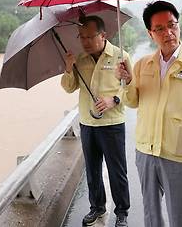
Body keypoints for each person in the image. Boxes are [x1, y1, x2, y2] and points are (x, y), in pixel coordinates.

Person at [114, 0, 182, 227]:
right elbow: (133, 102)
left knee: (178, 217)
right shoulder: (142, 66)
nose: (168, 32)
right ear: (150, 34)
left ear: (179, 26)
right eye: (159, 28)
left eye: (172, 25)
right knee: (152, 215)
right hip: (146, 152)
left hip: (177, 154)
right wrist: (127, 81)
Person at [61, 15, 131, 227]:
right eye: (81, 37)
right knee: (92, 170)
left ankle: (122, 212)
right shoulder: (79, 59)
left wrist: (115, 99)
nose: (85, 41)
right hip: (88, 124)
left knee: (116, 170)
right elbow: (68, 87)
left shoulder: (120, 56)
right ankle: (97, 207)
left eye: (90, 37)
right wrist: (68, 67)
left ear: (104, 35)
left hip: (112, 124)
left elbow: (132, 88)